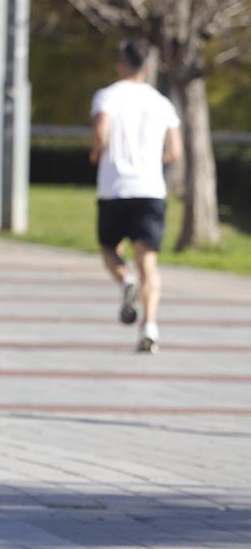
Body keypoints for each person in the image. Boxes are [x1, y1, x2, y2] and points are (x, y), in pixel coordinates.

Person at [90, 38, 183, 354]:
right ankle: (150, 328)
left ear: (121, 63)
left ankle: (124, 281)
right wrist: (150, 162)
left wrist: (97, 150)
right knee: (149, 263)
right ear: (148, 67)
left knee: (108, 249)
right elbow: (175, 150)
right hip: (150, 189)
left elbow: (102, 129)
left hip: (114, 188)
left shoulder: (108, 96)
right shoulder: (162, 103)